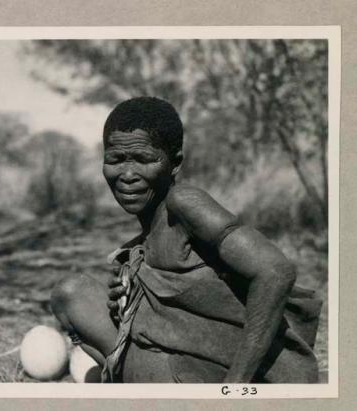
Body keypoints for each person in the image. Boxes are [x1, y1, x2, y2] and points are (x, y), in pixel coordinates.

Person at [51, 97, 321, 383]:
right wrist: (133, 299)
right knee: (70, 293)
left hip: (226, 368)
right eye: (115, 160)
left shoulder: (184, 202)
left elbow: (276, 271)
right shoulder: (147, 231)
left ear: (174, 163)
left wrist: (234, 389)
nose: (127, 175)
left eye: (143, 160)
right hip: (175, 354)